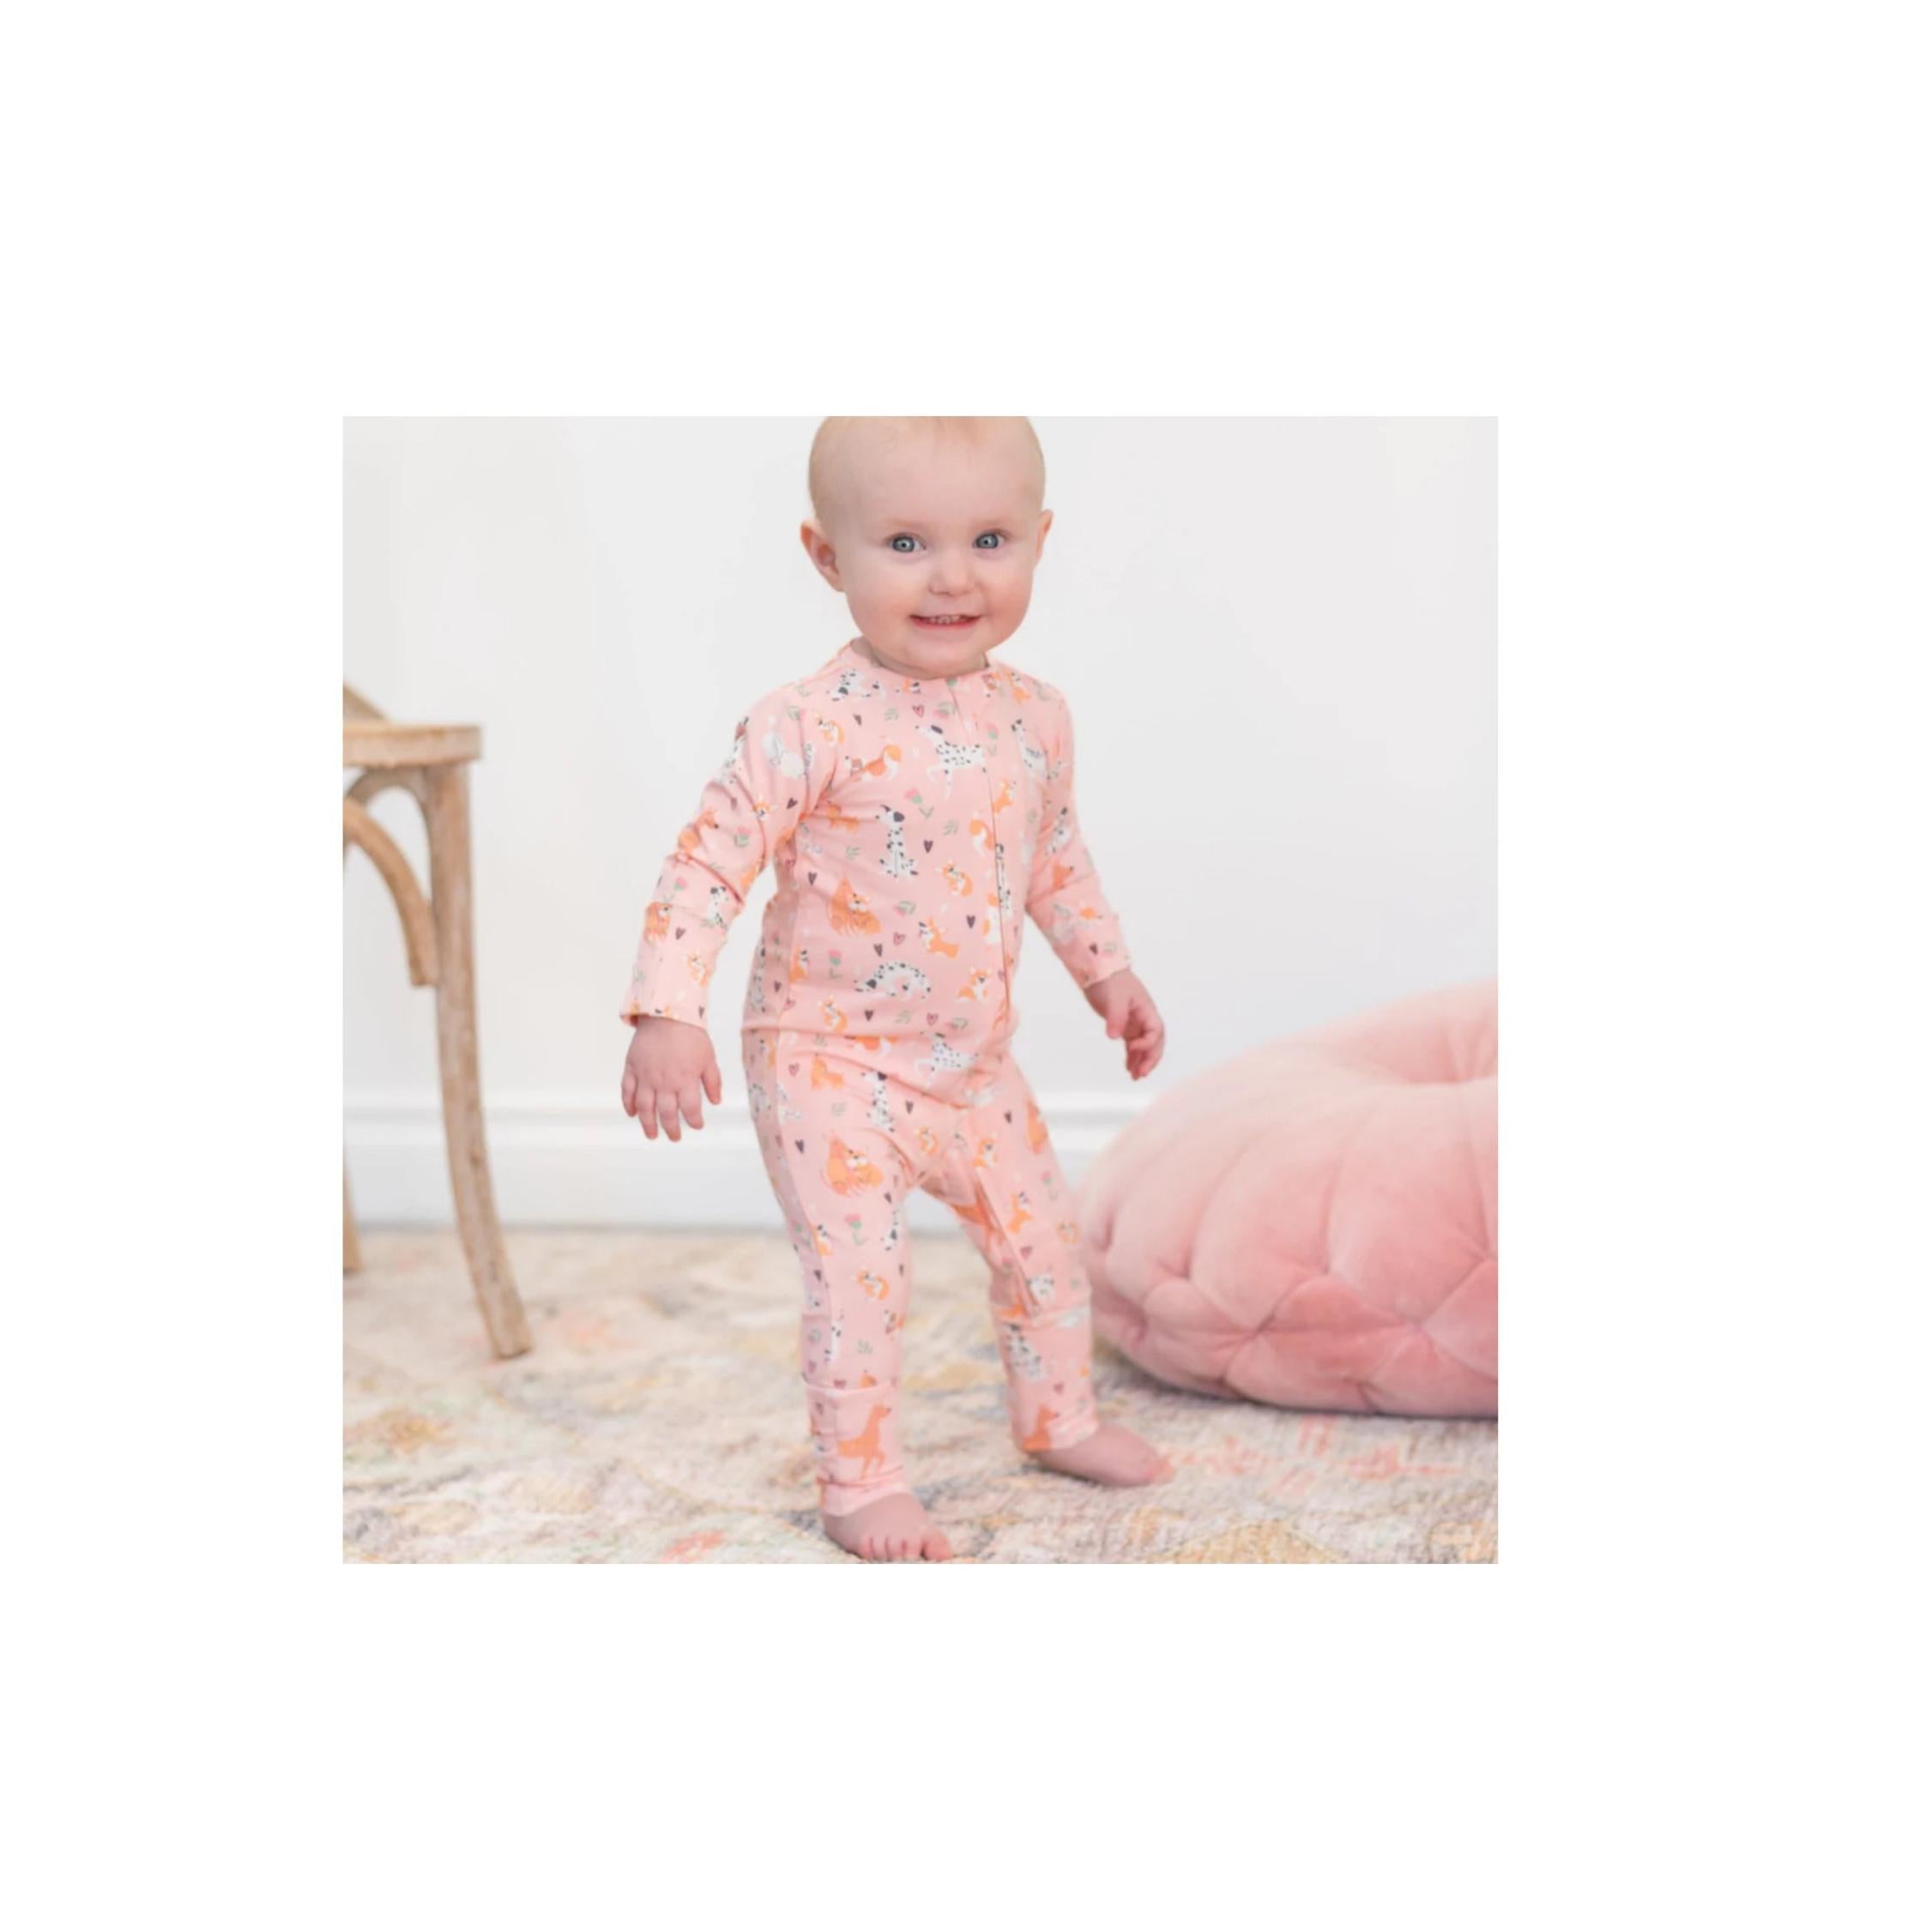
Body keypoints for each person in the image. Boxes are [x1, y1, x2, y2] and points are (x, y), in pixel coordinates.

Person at [619, 416, 1171, 1561]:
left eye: (989, 540)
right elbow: (708, 865)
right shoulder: (804, 725)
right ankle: (861, 1481)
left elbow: (1055, 858)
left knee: (1045, 1243)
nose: (954, 577)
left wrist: (1107, 971)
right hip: (827, 1061)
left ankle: (1059, 1417)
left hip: (973, 1067)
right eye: (908, 544)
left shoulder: (1036, 717)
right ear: (829, 557)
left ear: (1040, 539)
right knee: (863, 1279)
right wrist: (669, 1009)